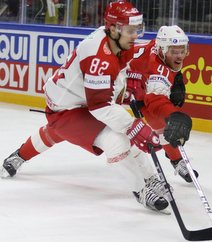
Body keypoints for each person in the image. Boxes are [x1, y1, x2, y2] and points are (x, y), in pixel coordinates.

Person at [1, 1, 169, 213]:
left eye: (137, 29)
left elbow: (123, 67)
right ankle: (141, 189)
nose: (135, 35)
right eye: (130, 30)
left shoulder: (115, 40)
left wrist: (129, 83)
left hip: (78, 102)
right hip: (66, 110)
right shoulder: (98, 57)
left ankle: (150, 178)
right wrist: (133, 125)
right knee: (117, 140)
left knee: (62, 132)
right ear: (114, 29)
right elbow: (100, 107)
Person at [122, 25, 199, 183]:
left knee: (159, 124)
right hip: (117, 80)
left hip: (139, 82)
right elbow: (155, 100)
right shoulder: (157, 69)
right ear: (163, 50)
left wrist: (177, 77)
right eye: (174, 52)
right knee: (93, 120)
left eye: (182, 51)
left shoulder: (160, 47)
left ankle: (177, 160)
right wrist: (173, 115)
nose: (179, 56)